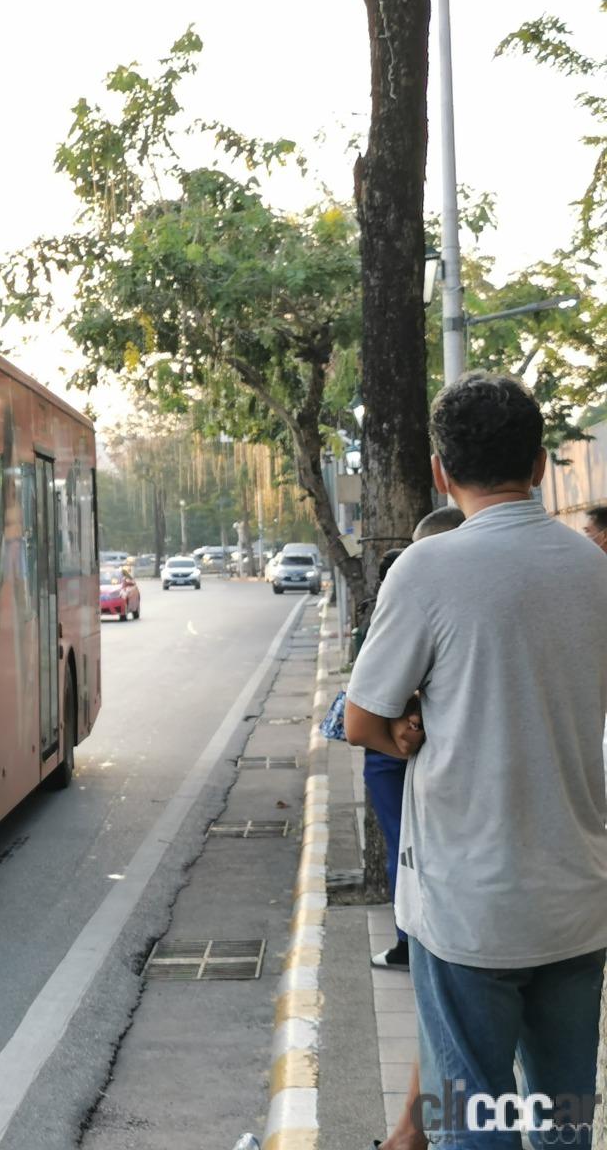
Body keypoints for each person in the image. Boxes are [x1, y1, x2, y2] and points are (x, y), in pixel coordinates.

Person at [345, 373, 607, 1148]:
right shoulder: (594, 569)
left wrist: (406, 727)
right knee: (562, 1120)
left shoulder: (427, 570)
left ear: (440, 472)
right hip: (577, 901)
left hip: (469, 912)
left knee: (475, 1122)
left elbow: (363, 716)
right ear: (538, 467)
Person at [365, 507, 466, 972]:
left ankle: (410, 942)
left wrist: (404, 738)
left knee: (405, 848)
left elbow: (361, 720)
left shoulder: (417, 596)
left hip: (403, 755)